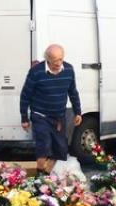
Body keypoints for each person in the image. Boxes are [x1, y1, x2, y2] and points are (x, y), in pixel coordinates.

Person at [20, 44, 82, 174]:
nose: (59, 63)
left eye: (61, 59)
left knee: (60, 149)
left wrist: (78, 112)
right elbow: (25, 95)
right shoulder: (36, 71)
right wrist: (24, 118)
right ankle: (40, 174)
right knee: (44, 144)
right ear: (47, 59)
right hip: (40, 115)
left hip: (59, 117)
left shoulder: (69, 69)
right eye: (55, 61)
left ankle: (46, 174)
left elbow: (73, 92)